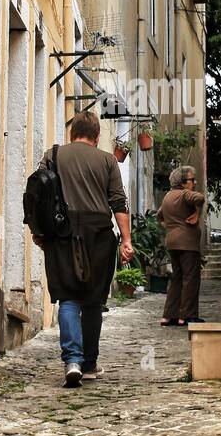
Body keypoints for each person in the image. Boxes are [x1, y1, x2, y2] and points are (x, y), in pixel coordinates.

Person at [31, 112, 133, 389]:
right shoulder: (107, 160)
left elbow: (38, 196)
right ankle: (89, 363)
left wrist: (38, 233)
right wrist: (126, 240)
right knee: (92, 301)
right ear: (97, 136)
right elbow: (118, 202)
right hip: (98, 233)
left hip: (61, 232)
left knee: (67, 298)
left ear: (72, 133)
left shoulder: (52, 155)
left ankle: (72, 361)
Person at [158, 166, 206, 327]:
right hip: (188, 243)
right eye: (192, 180)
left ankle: (169, 315)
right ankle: (186, 316)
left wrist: (171, 227)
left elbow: (160, 216)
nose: (194, 182)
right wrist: (197, 212)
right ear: (183, 182)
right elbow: (199, 198)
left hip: (172, 242)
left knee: (176, 279)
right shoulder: (185, 194)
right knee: (190, 279)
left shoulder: (168, 196)